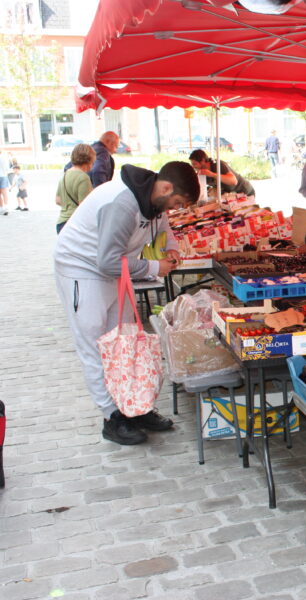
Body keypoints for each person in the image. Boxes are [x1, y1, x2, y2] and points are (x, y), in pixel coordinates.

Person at [54, 161, 200, 445]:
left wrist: (171, 246)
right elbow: (108, 261)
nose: (175, 209)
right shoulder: (121, 204)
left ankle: (134, 406)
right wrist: (154, 267)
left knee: (126, 341)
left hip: (114, 271)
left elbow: (162, 223)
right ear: (166, 187)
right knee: (97, 346)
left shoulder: (154, 199)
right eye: (177, 202)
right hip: (82, 270)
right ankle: (112, 417)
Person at [56, 144, 96, 233]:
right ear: (89, 159)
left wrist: (69, 205)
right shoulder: (83, 177)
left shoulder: (65, 175)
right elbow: (84, 206)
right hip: (75, 223)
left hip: (61, 223)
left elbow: (58, 200)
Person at [189, 149, 255, 199]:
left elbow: (233, 181)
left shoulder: (217, 164)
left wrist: (212, 174)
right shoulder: (202, 173)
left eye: (195, 164)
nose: (193, 167)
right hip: (232, 196)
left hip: (244, 191)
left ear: (203, 161)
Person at [0, 150, 9, 216]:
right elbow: (7, 168)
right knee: (4, 193)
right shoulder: (4, 158)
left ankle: (1, 208)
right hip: (3, 176)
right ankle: (6, 207)